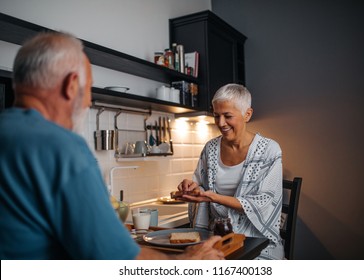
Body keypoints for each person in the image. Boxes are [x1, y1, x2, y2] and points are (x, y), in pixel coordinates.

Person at [0, 32, 224, 260]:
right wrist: (186, 261)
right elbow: (115, 258)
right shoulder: (61, 147)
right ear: (71, 85)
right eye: (89, 89)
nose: (88, 101)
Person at [177, 83, 284, 260]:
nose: (220, 123)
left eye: (228, 116)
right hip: (217, 240)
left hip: (258, 243)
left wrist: (213, 197)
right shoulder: (210, 148)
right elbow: (200, 182)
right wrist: (191, 185)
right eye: (216, 116)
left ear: (247, 114)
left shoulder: (270, 150)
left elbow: (263, 202)